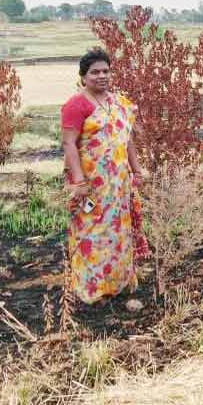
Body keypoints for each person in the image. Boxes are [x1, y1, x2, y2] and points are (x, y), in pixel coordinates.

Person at [60, 48, 149, 303]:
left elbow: (127, 139)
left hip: (119, 184)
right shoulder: (76, 105)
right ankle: (93, 290)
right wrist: (78, 181)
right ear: (83, 77)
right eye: (94, 72)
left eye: (105, 71)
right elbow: (69, 144)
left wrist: (137, 169)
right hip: (90, 184)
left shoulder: (120, 102)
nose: (101, 76)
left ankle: (119, 283)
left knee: (119, 231)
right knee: (92, 231)